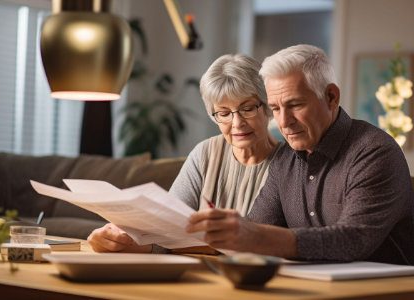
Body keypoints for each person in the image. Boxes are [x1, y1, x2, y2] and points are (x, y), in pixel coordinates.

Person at [186, 44, 414, 266]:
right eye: (275, 108)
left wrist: (254, 236)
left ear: (331, 97)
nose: (283, 122)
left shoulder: (374, 152)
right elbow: (255, 229)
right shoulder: (285, 160)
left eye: (295, 105)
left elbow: (354, 240)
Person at [88, 54, 282, 253]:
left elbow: (281, 242)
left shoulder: (291, 162)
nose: (237, 123)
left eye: (248, 108)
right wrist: (115, 241)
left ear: (268, 107)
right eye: (224, 113)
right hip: (199, 273)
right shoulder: (205, 153)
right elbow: (166, 233)